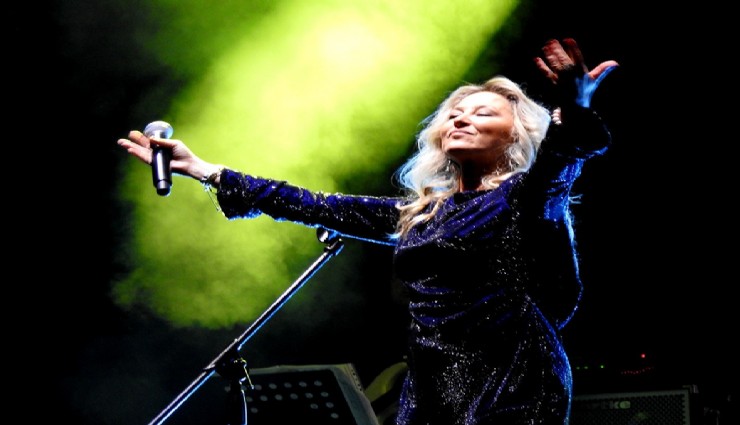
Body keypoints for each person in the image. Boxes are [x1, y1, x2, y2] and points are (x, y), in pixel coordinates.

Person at [118, 37, 618, 425]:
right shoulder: (421, 213)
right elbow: (314, 204)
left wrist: (574, 108)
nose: (461, 119)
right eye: (454, 114)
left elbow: (562, 158)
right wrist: (204, 169)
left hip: (511, 378)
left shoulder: (527, 198)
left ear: (516, 134)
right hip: (432, 383)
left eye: (483, 113)